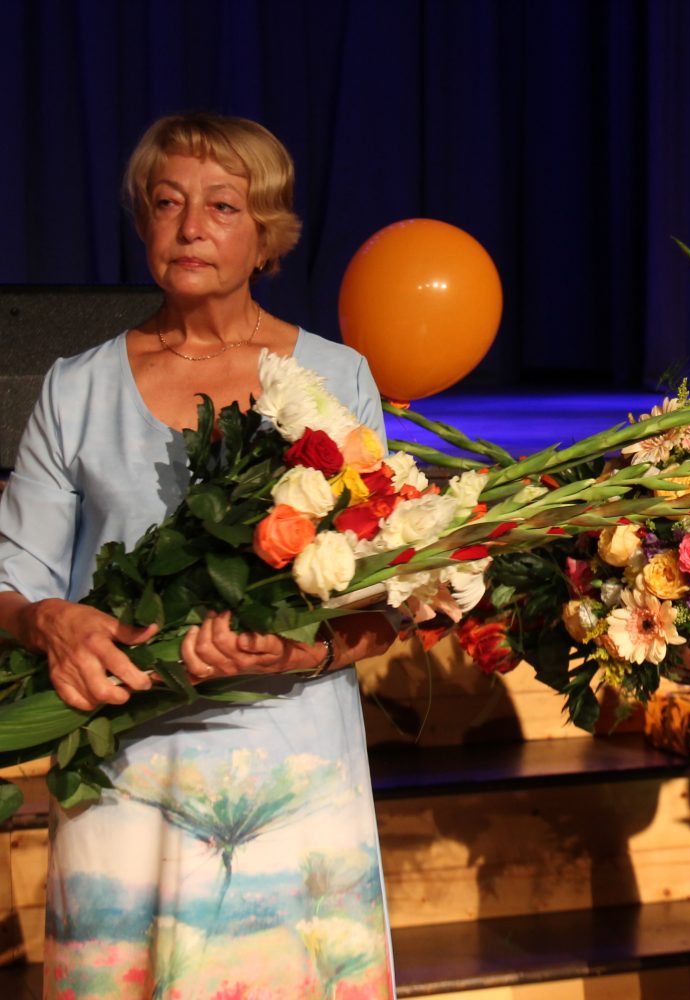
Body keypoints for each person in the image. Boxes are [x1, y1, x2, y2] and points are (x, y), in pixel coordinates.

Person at [0, 113, 399, 998]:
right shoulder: (76, 387)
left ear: (267, 234)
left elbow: (384, 610)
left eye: (221, 205)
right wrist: (49, 621)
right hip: (123, 778)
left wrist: (301, 653)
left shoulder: (339, 379)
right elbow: (11, 581)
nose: (188, 227)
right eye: (166, 202)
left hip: (292, 781)